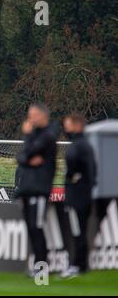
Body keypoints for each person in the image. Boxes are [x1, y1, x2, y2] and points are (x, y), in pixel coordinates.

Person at [15, 104, 58, 277]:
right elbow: (21, 156)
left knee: (37, 227)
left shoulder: (47, 136)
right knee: (31, 229)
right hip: (27, 189)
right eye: (29, 114)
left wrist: (27, 137)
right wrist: (26, 159)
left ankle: (42, 268)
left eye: (33, 115)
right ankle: (37, 266)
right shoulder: (35, 136)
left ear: (43, 116)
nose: (30, 118)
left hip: (40, 189)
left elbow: (29, 151)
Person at [60, 114, 96, 278]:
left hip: (76, 196)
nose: (65, 128)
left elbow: (74, 168)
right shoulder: (87, 145)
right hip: (85, 194)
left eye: (68, 125)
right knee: (81, 230)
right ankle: (82, 265)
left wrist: (71, 177)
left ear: (77, 126)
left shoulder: (77, 146)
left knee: (77, 232)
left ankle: (76, 265)